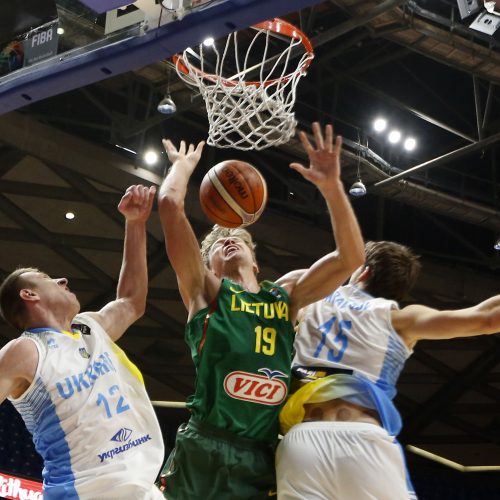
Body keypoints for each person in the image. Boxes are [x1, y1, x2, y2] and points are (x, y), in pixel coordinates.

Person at [156, 122, 364, 499]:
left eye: (237, 237)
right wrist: (183, 167)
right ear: (211, 266)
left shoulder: (285, 299)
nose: (229, 240)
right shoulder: (205, 291)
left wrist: (332, 187)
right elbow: (170, 206)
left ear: (256, 264)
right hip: (203, 450)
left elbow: (350, 257)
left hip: (259, 458)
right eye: (219, 244)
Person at [277, 240, 500, 500]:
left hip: (302, 442)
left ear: (363, 271)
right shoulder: (401, 319)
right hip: (361, 440)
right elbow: (488, 318)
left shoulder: (312, 299)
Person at [0, 185, 166, 499]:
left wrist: (135, 222)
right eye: (49, 279)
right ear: (29, 295)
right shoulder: (25, 350)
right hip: (84, 491)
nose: (63, 280)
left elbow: (131, 301)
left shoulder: (90, 327)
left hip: (139, 486)